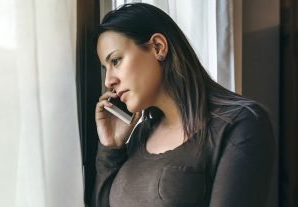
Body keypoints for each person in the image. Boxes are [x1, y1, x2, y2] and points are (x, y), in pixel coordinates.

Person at [92, 3, 275, 207]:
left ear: (158, 47)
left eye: (116, 61)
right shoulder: (141, 133)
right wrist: (112, 148)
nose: (109, 81)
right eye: (105, 68)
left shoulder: (241, 123)